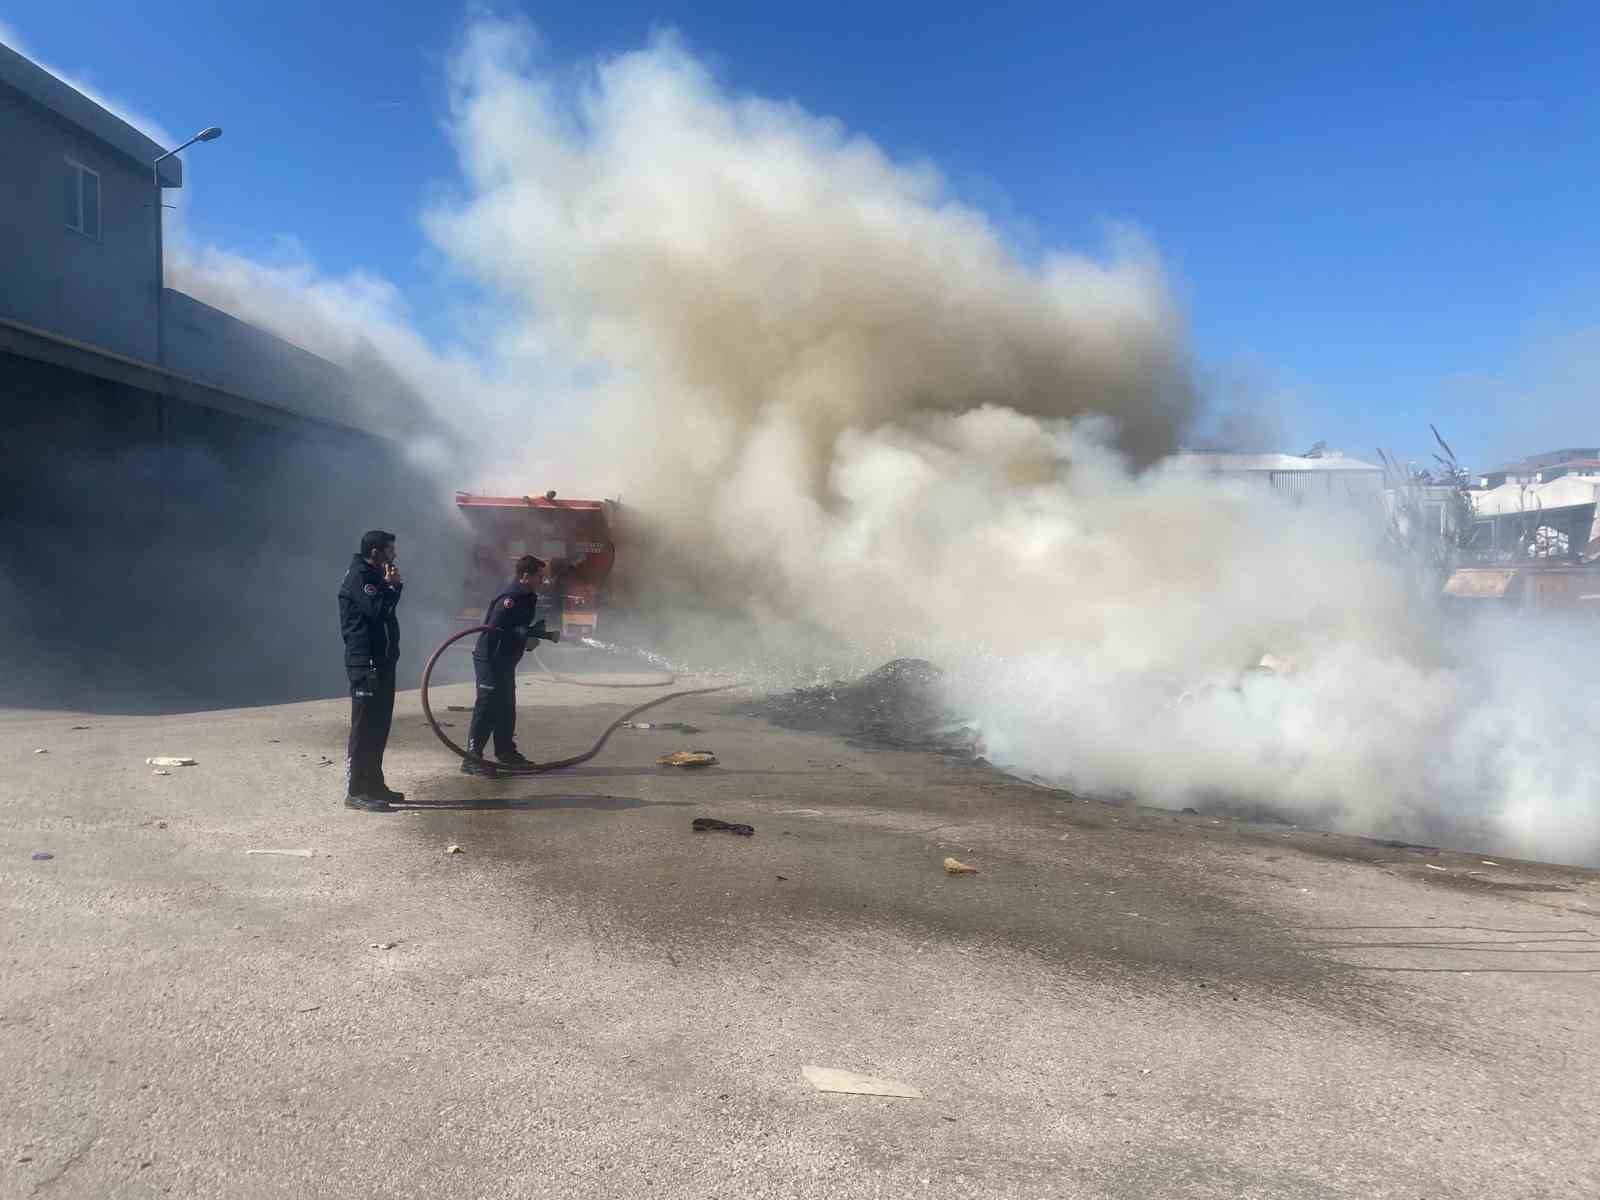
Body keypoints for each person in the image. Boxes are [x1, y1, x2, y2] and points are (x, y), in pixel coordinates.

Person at [338, 530, 404, 811]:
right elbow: (377, 610)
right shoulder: (359, 577)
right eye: (390, 550)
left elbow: (386, 612)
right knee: (364, 727)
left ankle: (374, 784)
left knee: (379, 725)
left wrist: (391, 587)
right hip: (365, 663)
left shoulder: (375, 576)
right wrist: (392, 587)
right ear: (375, 552)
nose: (394, 555)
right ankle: (356, 791)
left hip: (383, 662)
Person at [463, 554, 545, 777]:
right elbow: (495, 629)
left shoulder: (529, 597)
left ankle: (506, 752)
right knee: (487, 707)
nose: (543, 580)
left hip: (506, 660)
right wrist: (523, 639)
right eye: (539, 576)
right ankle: (471, 758)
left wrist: (532, 634)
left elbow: (518, 626)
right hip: (490, 659)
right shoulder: (510, 598)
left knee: (506, 707)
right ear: (525, 576)